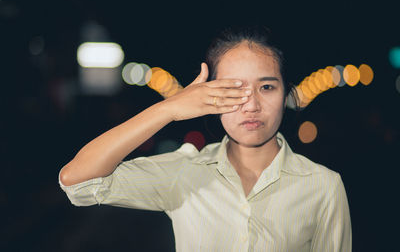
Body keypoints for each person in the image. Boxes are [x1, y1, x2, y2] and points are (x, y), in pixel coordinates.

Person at [59, 26, 352, 251]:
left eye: (266, 87)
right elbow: (77, 181)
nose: (251, 105)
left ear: (286, 92)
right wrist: (169, 109)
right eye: (233, 90)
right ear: (209, 96)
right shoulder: (185, 172)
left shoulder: (322, 185)